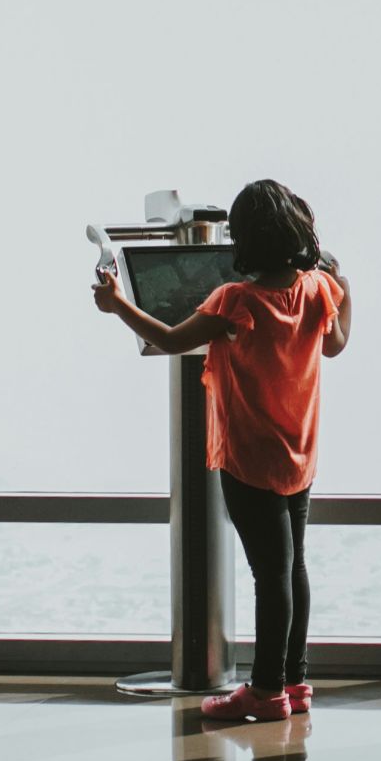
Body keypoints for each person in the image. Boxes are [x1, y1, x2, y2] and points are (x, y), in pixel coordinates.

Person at [93, 179, 352, 722]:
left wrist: (118, 305)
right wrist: (343, 284)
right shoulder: (317, 290)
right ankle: (295, 680)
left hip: (249, 458)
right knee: (293, 568)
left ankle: (264, 691)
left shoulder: (235, 300)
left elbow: (168, 339)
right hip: (299, 451)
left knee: (269, 575)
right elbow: (335, 343)